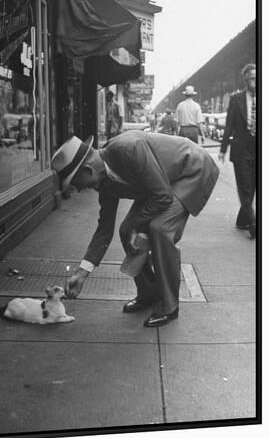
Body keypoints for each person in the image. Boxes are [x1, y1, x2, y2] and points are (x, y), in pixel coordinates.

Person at [51, 131, 219, 327]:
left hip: (191, 169)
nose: (78, 189)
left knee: (160, 228)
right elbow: (104, 230)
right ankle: (149, 293)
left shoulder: (130, 149)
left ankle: (169, 304)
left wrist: (138, 226)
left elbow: (163, 196)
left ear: (88, 170)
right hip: (160, 183)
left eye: (76, 183)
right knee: (126, 231)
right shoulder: (104, 182)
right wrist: (81, 273)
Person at [219, 64, 256, 239]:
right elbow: (229, 125)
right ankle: (254, 223)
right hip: (242, 148)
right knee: (245, 187)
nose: (256, 81)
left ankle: (243, 219)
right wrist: (223, 149)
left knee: (253, 187)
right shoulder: (236, 99)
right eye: (252, 78)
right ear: (246, 80)